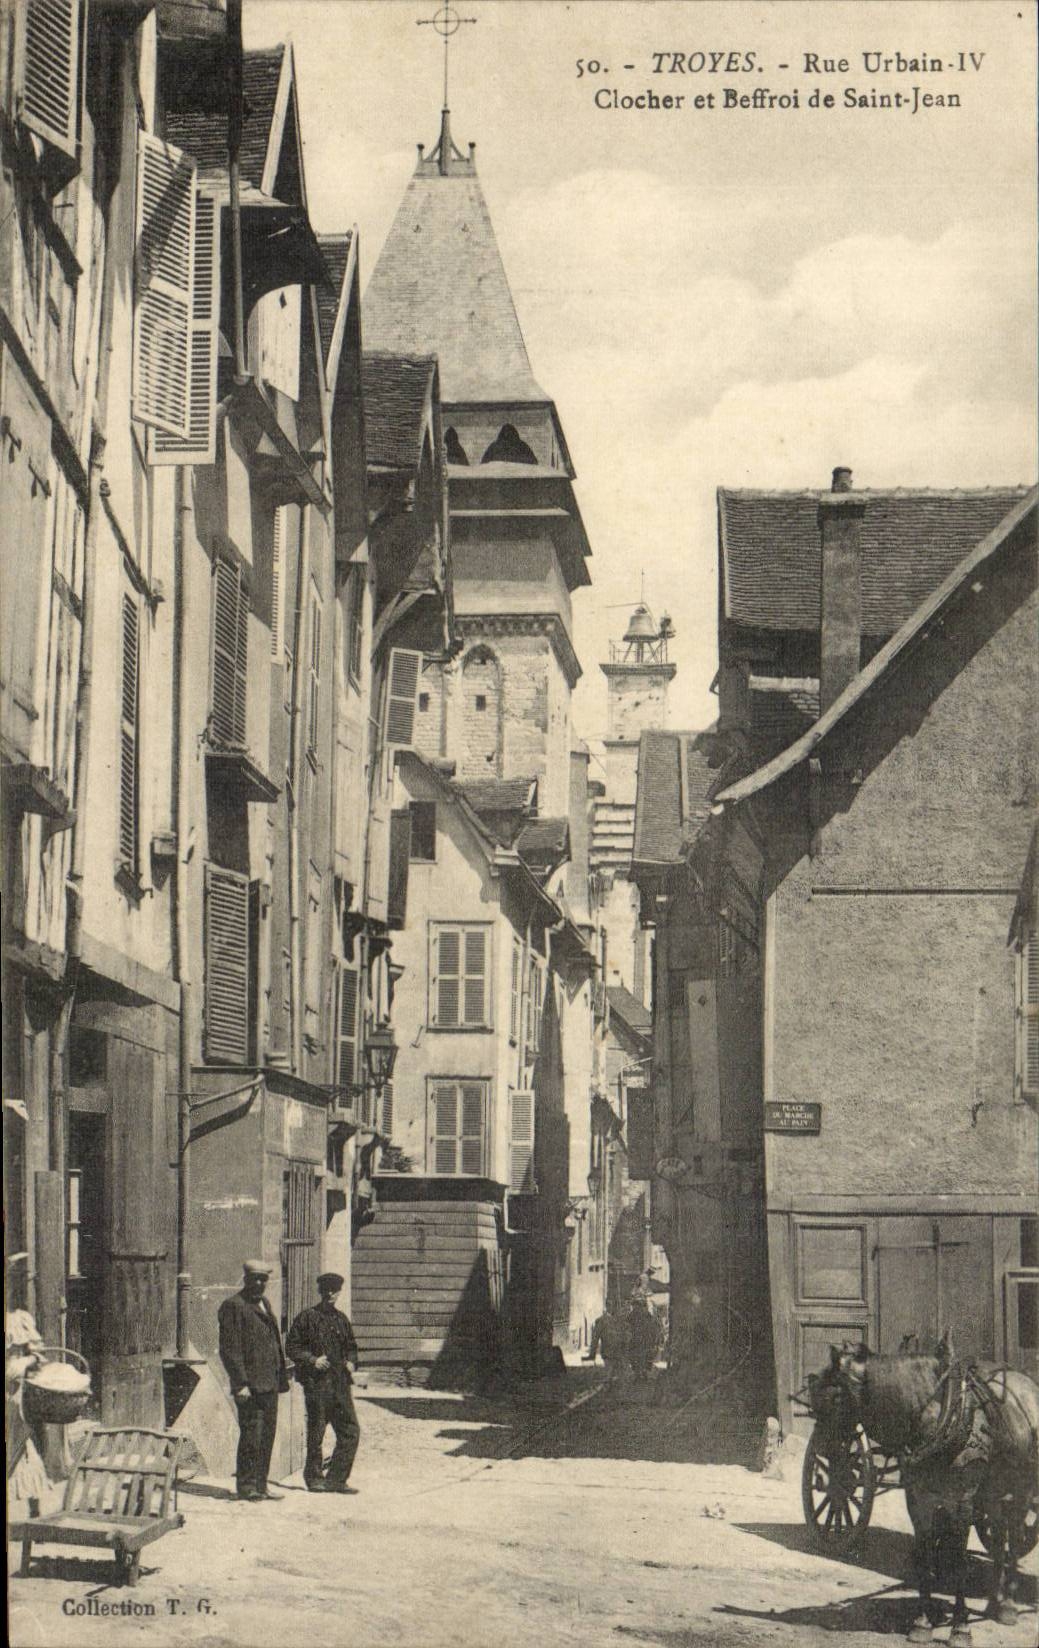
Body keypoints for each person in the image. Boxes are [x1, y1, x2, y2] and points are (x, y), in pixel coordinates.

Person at [218, 1260, 290, 1503]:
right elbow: (230, 1349)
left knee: (267, 1435)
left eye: (263, 1279)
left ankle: (261, 1485)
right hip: (250, 1385)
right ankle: (247, 1486)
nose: (259, 1283)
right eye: (254, 1279)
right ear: (246, 1280)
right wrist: (240, 1383)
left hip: (269, 1382)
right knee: (251, 1436)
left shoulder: (265, 1303)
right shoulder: (233, 1306)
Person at [286, 1272, 361, 1494]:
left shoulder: (341, 1319)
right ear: (320, 1291)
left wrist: (352, 1362)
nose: (330, 1294)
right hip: (317, 1385)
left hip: (340, 1385)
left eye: (334, 1290)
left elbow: (351, 1347)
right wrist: (312, 1360)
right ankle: (314, 1479)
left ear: (339, 1292)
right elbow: (292, 1347)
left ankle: (337, 1479)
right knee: (316, 1433)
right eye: (326, 1290)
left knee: (350, 1431)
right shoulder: (307, 1318)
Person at [582, 1299, 631, 1376]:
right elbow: (595, 1338)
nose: (612, 1308)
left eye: (613, 1306)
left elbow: (626, 1335)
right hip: (608, 1353)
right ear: (607, 1306)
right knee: (610, 1375)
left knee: (619, 1376)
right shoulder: (601, 1320)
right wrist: (592, 1354)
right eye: (610, 1305)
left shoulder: (620, 1320)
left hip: (619, 1353)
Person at [627, 1296, 662, 1379]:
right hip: (638, 1344)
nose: (634, 1309)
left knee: (641, 1363)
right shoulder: (634, 1317)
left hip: (642, 1344)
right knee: (640, 1363)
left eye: (636, 1306)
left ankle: (641, 1375)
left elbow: (656, 1331)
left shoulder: (647, 1318)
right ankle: (641, 1375)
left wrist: (655, 1343)